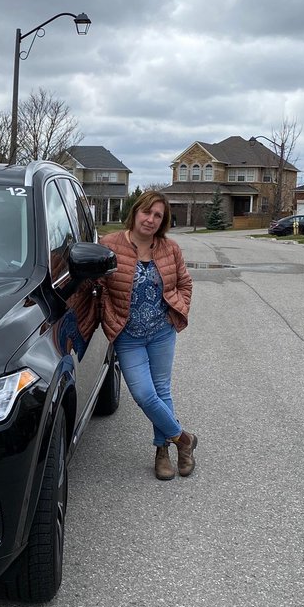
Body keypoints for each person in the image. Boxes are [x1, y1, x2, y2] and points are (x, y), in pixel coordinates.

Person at [98, 190, 195, 481]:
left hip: (162, 332)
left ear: (162, 221)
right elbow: (97, 285)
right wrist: (107, 313)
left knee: (162, 390)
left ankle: (162, 450)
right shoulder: (109, 245)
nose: (150, 219)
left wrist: (179, 308)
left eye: (157, 216)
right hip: (128, 336)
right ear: (135, 212)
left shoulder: (170, 248)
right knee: (143, 394)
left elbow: (184, 283)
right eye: (146, 212)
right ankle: (184, 440)